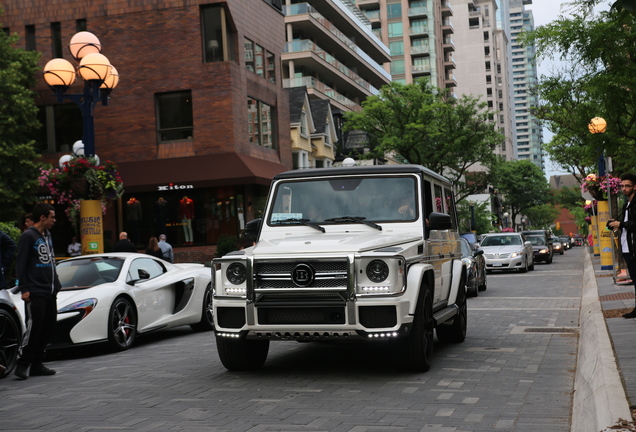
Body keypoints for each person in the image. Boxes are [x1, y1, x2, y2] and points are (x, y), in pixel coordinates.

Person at [14, 203, 61, 379]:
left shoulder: (48, 236)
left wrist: (56, 285)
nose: (54, 221)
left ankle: (37, 363)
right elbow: (21, 263)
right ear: (42, 217)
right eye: (52, 217)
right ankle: (23, 362)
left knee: (49, 327)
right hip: (35, 289)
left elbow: (51, 261)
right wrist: (24, 288)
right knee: (35, 327)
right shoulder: (28, 236)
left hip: (50, 289)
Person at [608, 173, 636, 318]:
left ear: (634, 187)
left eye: (627, 186)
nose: (624, 189)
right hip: (627, 247)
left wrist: (622, 224)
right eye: (622, 186)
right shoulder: (627, 204)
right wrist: (617, 225)